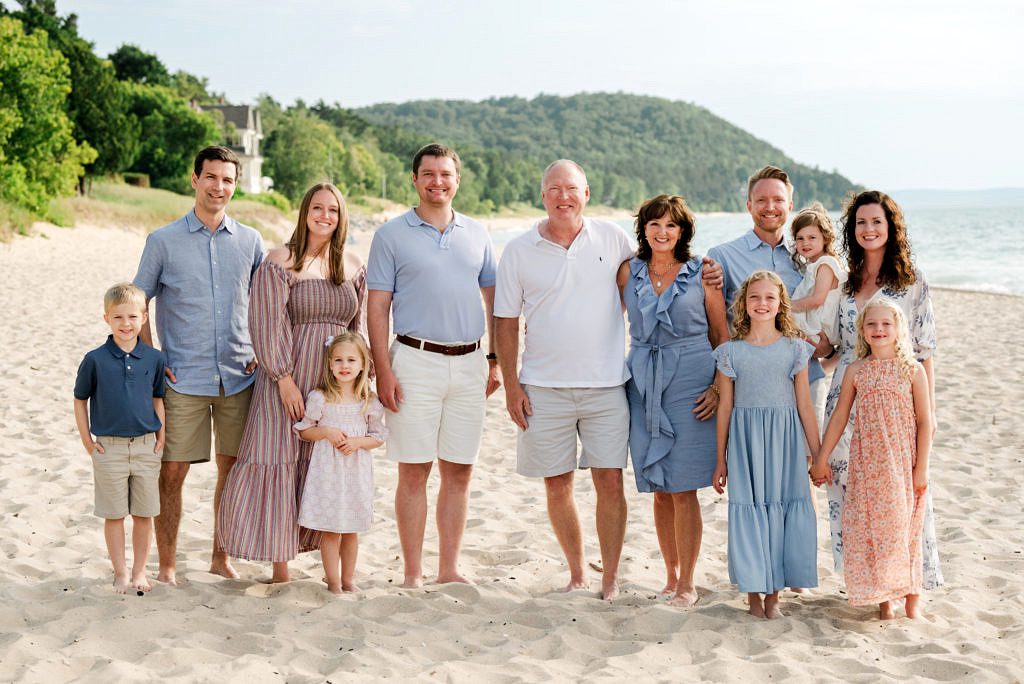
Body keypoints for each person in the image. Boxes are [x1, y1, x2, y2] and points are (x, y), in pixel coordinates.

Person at [495, 159, 635, 601]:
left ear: (586, 194)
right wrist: (513, 386)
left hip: (607, 386)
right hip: (542, 387)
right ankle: (577, 573)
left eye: (571, 188)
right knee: (557, 483)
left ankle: (610, 579)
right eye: (554, 189)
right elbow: (505, 321)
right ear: (543, 196)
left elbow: (651, 285)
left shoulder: (614, 239)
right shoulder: (518, 250)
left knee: (610, 481)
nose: (563, 196)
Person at [367, 143, 500, 588]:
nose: (437, 181)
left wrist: (496, 360)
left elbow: (495, 301)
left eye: (445, 174)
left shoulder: (478, 234)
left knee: (460, 470)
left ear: (457, 180)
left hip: (469, 362)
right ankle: (411, 573)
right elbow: (377, 307)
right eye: (428, 174)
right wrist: (383, 369)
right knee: (413, 469)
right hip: (413, 361)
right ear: (415, 179)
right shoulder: (390, 235)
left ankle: (448, 569)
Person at [217, 182, 365, 583]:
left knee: (323, 463)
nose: (325, 216)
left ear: (341, 216)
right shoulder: (280, 260)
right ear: (305, 212)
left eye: (333, 210)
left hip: (334, 380)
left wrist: (354, 383)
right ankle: (281, 567)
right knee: (280, 456)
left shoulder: (351, 264)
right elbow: (265, 322)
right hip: (288, 376)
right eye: (317, 208)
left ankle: (331, 566)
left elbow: (356, 329)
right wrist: (282, 377)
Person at [134, 146, 263, 585]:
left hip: (239, 377)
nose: (218, 187)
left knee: (232, 470)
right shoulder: (162, 241)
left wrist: (261, 352)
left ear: (234, 185)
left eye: (227, 179)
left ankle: (219, 556)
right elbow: (138, 303)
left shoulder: (250, 241)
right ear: (194, 180)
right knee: (172, 472)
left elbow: (265, 303)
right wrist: (153, 360)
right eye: (211, 177)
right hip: (182, 377)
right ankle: (167, 565)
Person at [821, 190, 943, 590]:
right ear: (851, 230)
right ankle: (868, 583)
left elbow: (923, 351)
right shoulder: (844, 282)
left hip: (894, 407)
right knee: (852, 496)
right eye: (860, 222)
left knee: (904, 494)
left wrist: (929, 414)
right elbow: (837, 345)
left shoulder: (911, 282)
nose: (868, 229)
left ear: (891, 228)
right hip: (848, 396)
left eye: (876, 221)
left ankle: (907, 582)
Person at [616, 194, 728, 607]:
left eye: (671, 225)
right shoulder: (628, 272)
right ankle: (669, 575)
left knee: (684, 489)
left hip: (692, 381)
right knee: (660, 488)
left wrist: (718, 387)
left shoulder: (702, 274)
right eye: (655, 224)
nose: (663, 232)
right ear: (643, 229)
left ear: (683, 231)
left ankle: (689, 583)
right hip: (643, 380)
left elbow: (722, 336)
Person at [811, 298, 932, 619]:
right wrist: (821, 459)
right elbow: (838, 418)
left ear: (898, 330)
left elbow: (926, 421)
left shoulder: (912, 369)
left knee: (906, 527)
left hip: (903, 462)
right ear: (862, 331)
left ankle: (911, 601)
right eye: (872, 324)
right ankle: (884, 602)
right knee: (874, 530)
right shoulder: (856, 371)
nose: (879, 330)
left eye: (886, 324)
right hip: (867, 464)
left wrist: (922, 468)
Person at [711, 271, 820, 619]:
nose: (762, 303)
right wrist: (720, 459)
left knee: (781, 512)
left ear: (780, 304)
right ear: (743, 303)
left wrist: (817, 455)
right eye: (754, 297)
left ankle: (773, 596)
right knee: (750, 511)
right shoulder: (730, 352)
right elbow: (725, 406)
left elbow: (805, 405)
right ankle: (753, 595)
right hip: (745, 443)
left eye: (770, 298)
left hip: (785, 441)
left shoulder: (796, 350)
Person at [74, 283, 166, 594]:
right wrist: (88, 442)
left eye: (132, 317)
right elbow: (80, 399)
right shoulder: (95, 359)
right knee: (114, 514)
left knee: (144, 514)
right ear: (106, 319)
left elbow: (157, 398)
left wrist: (161, 437)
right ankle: (121, 572)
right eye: (118, 318)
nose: (125, 324)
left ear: (143, 318)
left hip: (145, 446)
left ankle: (140, 572)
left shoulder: (154, 358)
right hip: (108, 447)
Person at [295, 332, 386, 594]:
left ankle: (348, 580)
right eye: (338, 360)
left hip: (355, 474)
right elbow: (303, 431)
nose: (344, 366)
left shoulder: (368, 401)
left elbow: (379, 437)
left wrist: (358, 442)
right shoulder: (320, 398)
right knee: (331, 530)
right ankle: (333, 582)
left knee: (351, 530)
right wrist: (325, 432)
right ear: (329, 364)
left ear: (362, 365)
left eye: (350, 360)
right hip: (328, 474)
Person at [788, 203, 847, 421]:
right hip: (817, 325)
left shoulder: (825, 263)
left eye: (812, 237)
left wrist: (785, 307)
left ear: (825, 238)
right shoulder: (812, 266)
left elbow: (817, 300)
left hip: (821, 325)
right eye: (800, 238)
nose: (805, 243)